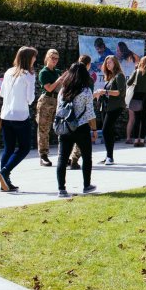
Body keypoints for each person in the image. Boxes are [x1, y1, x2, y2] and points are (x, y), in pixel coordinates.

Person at [0, 46, 37, 192]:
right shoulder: (29, 75)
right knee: (24, 148)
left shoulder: (9, 72)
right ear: (28, 58)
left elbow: (2, 93)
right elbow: (30, 99)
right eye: (34, 57)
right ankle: (5, 172)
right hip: (20, 116)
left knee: (8, 148)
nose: (35, 59)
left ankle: (4, 182)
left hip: (6, 115)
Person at [55, 62, 98, 197]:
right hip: (81, 127)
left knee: (62, 158)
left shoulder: (63, 90)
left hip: (66, 127)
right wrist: (94, 130)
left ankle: (61, 189)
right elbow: (90, 114)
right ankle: (86, 185)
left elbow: (59, 110)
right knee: (87, 157)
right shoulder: (86, 91)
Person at [95, 55, 127, 166]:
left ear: (115, 63)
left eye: (110, 62)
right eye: (106, 62)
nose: (108, 64)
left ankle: (110, 157)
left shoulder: (119, 76)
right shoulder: (111, 76)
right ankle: (108, 155)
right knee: (108, 131)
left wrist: (104, 92)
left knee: (105, 130)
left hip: (116, 107)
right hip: (108, 107)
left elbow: (119, 92)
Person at [68, 54, 96, 170]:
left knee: (66, 139)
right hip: (81, 115)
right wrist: (94, 128)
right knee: (81, 140)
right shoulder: (88, 80)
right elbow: (89, 103)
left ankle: (65, 159)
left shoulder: (68, 77)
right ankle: (74, 160)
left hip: (67, 114)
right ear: (88, 65)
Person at [36, 48, 62, 167]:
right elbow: (49, 88)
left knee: (60, 128)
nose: (55, 61)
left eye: (57, 59)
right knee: (44, 129)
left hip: (57, 100)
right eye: (53, 58)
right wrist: (59, 80)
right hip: (47, 100)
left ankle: (63, 155)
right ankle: (43, 156)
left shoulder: (57, 71)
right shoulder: (44, 72)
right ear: (47, 58)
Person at [127, 55, 146, 147]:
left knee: (137, 119)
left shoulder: (136, 72)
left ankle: (136, 140)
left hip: (137, 96)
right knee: (145, 119)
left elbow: (128, 83)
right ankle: (143, 140)